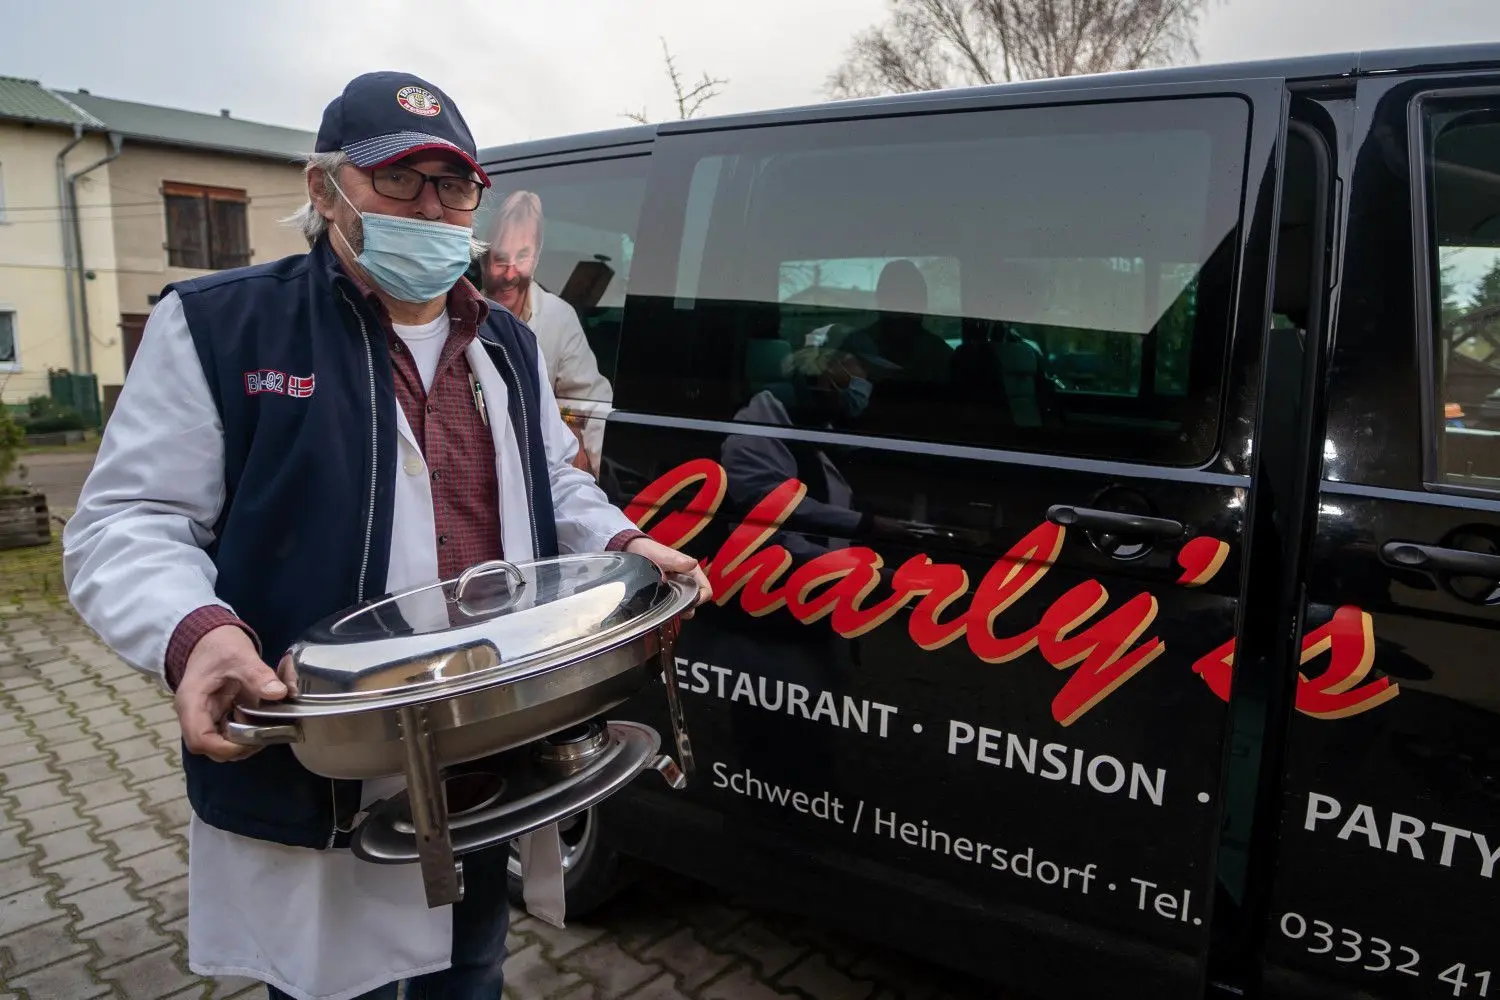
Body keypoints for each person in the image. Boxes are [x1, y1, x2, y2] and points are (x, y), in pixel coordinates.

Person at [61, 70, 709, 1000]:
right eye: (397, 179)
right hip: (328, 758)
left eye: (453, 185)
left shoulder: (508, 343)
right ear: (324, 188)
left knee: (470, 968)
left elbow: (553, 478)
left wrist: (622, 543)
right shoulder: (223, 327)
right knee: (333, 985)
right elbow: (128, 521)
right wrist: (198, 636)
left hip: (488, 751)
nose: (430, 206)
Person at [483, 190, 613, 475]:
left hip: (539, 471)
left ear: (537, 257)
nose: (510, 274)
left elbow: (591, 405)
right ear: (484, 256)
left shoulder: (558, 317)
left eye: (523, 256)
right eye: (500, 259)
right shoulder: (459, 312)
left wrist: (588, 466)